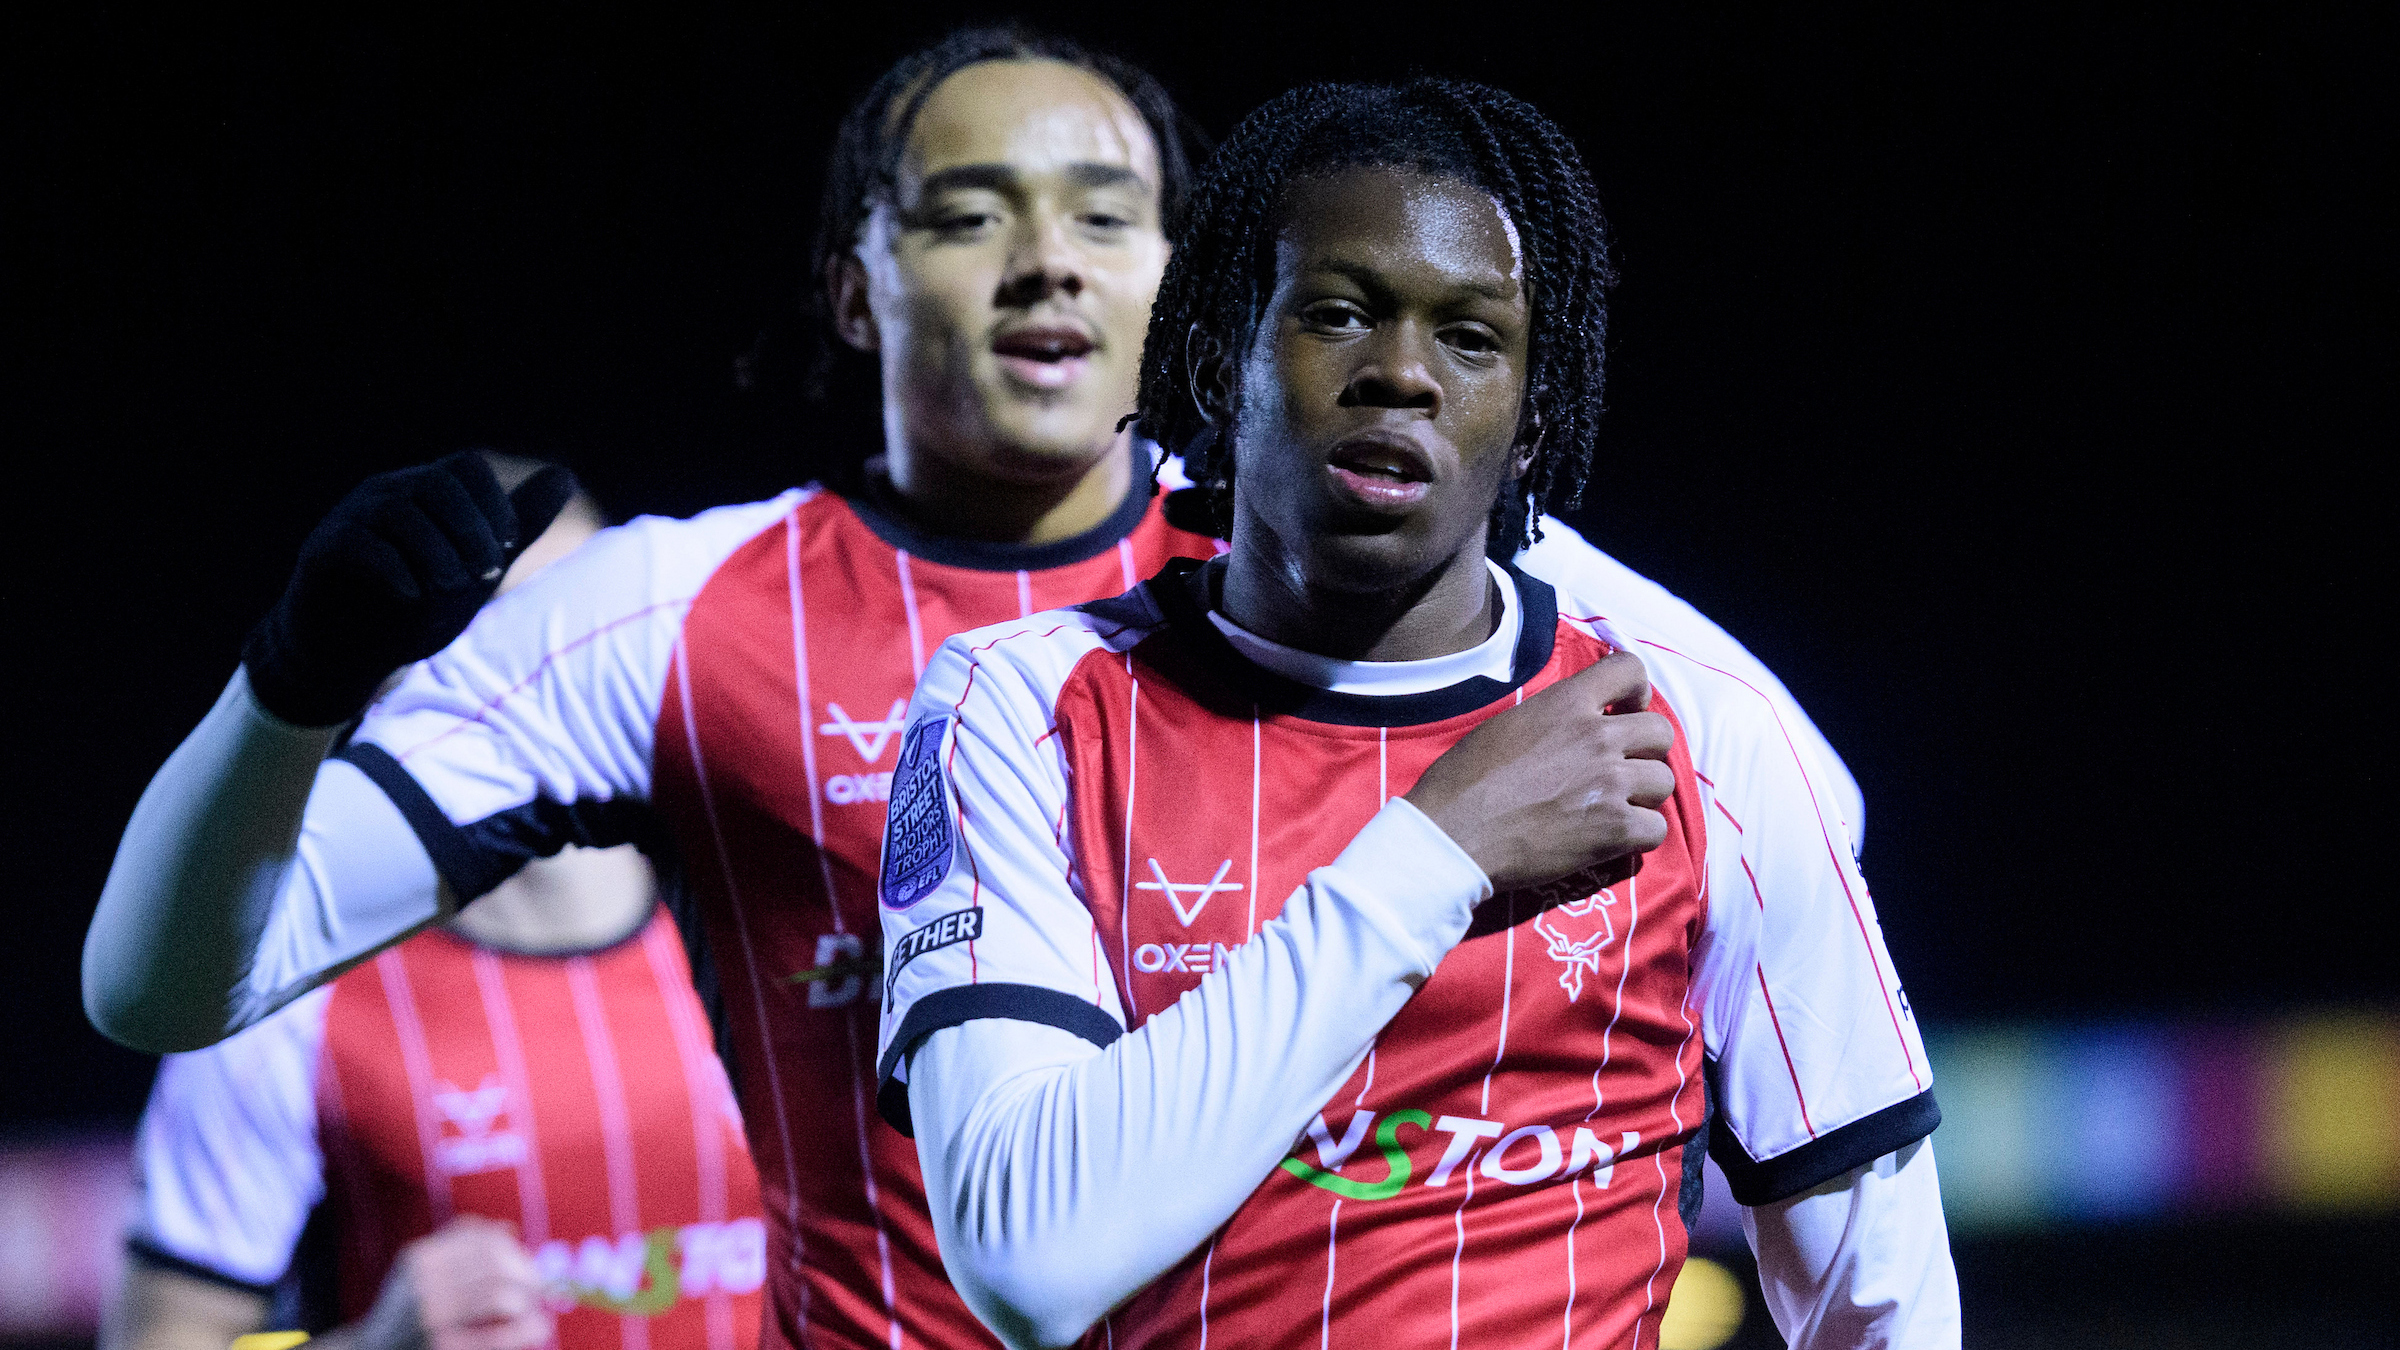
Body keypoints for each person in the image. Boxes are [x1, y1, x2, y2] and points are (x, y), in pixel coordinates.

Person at [82, 27, 1864, 1350]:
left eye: (1108, 209)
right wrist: (291, 685)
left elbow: (1810, 832)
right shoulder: (666, 621)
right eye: (965, 212)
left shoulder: (1410, 564)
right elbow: (163, 989)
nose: (1045, 258)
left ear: (1192, 282)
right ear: (855, 287)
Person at [876, 79, 1955, 1350]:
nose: (1400, 373)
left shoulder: (1698, 742)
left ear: (1533, 416)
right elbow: (1026, 1259)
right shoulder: (1016, 709)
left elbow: (1879, 1296)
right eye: (1337, 315)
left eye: (1471, 337)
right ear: (1219, 356)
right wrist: (1437, 851)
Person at [102, 463, 766, 1349]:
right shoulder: (277, 997)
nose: (557, 663)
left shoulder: (778, 924)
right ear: (390, 675)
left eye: (590, 618)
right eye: (509, 628)